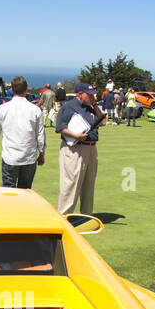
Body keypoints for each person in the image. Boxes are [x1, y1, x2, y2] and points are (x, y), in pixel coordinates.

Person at [0, 76, 46, 188]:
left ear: (12, 90)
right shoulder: (35, 110)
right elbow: (40, 135)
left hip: (10, 158)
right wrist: (41, 153)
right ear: (26, 89)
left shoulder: (3, 108)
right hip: (29, 158)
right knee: (26, 192)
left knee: (8, 194)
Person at [55, 82, 104, 215]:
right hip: (74, 149)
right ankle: (64, 218)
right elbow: (59, 127)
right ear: (80, 95)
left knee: (89, 186)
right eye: (89, 95)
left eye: (93, 95)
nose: (92, 97)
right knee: (70, 185)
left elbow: (103, 122)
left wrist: (95, 106)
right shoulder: (68, 107)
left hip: (91, 148)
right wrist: (75, 135)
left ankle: (87, 217)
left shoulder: (92, 107)